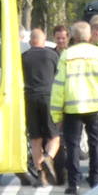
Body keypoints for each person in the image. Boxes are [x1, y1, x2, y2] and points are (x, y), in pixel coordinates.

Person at [49, 21, 98, 194]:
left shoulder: (67, 55)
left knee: (72, 146)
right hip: (96, 106)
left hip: (73, 107)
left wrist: (56, 114)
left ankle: (74, 183)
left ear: (72, 37)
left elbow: (58, 86)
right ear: (89, 36)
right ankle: (96, 180)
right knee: (96, 144)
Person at [21, 27, 61, 183]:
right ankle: (48, 158)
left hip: (30, 98)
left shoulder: (23, 57)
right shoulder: (52, 55)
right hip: (49, 97)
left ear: (31, 41)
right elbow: (59, 78)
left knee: (35, 138)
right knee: (54, 136)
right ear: (44, 41)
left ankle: (40, 174)